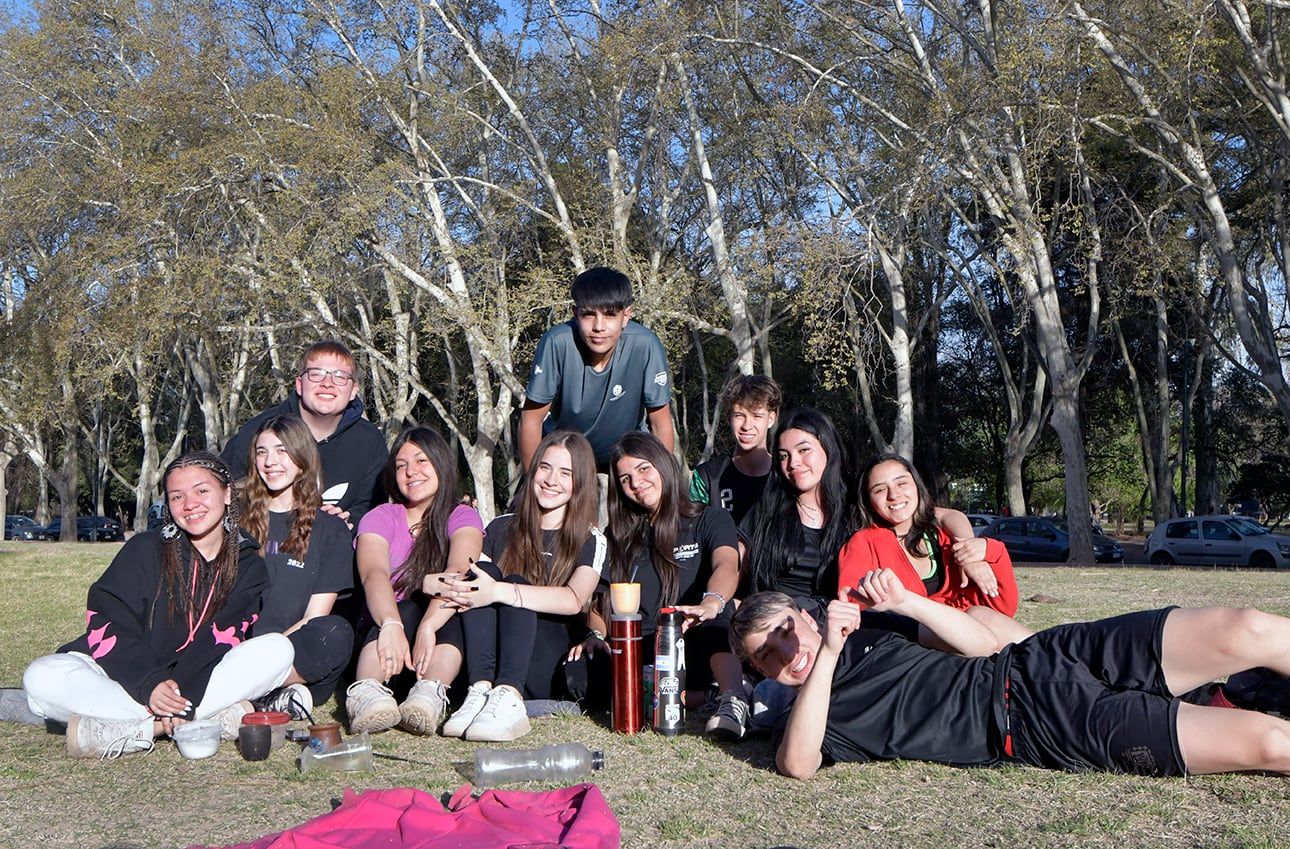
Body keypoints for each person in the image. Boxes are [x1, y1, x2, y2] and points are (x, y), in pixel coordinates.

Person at [732, 573, 1290, 779]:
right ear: (763, 675)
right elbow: (797, 767)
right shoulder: (815, 718)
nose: (788, 652)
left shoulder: (876, 630)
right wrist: (825, 654)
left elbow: (983, 641)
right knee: (1269, 741)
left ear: (803, 614)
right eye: (769, 658)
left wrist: (907, 602)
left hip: (1047, 656)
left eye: (785, 631)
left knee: (1246, 630)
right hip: (1044, 727)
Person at [22, 452, 294, 758]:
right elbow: (108, 621)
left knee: (277, 650)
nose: (190, 504)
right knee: (41, 676)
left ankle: (130, 729)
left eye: (202, 491)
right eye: (177, 496)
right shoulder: (146, 549)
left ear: (227, 493)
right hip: (126, 677)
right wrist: (150, 683)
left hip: (197, 683)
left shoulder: (247, 566)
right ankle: (167, 725)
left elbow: (223, 639)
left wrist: (182, 694)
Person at [432, 431, 607, 742]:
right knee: (482, 571)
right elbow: (466, 582)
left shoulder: (591, 539)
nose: (552, 479)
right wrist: (428, 602)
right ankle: (480, 690)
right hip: (492, 650)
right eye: (545, 467)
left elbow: (573, 600)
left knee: (510, 583)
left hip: (545, 651)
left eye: (565, 473)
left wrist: (500, 592)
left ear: (580, 481)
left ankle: (509, 695)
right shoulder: (500, 527)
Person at [603, 432, 748, 739]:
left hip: (694, 639)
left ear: (663, 465)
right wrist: (594, 635)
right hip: (641, 649)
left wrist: (710, 602)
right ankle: (703, 697)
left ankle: (733, 698)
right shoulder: (618, 536)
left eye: (644, 469)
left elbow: (727, 564)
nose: (636, 483)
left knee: (717, 618)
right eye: (625, 478)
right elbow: (601, 598)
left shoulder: (710, 519)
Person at [345, 426, 483, 734]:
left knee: (451, 610)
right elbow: (374, 573)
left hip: (435, 648)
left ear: (440, 464)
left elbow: (460, 569)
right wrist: (393, 625)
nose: (411, 472)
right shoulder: (380, 517)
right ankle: (366, 692)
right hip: (385, 644)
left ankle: (429, 696)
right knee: (404, 609)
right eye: (401, 465)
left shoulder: (461, 515)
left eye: (421, 461)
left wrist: (429, 625)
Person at [519, 267, 673, 519]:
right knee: (539, 523)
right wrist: (534, 483)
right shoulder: (557, 342)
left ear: (626, 316)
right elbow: (531, 420)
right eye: (589, 315)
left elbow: (660, 423)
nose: (599, 326)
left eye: (610, 315)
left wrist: (665, 487)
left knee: (648, 524)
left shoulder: (646, 344)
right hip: (567, 454)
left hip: (624, 455)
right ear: (575, 314)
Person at [838, 454, 1029, 650]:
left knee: (982, 616)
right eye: (879, 489)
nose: (893, 495)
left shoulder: (943, 536)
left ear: (917, 486)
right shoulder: (863, 542)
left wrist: (989, 551)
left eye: (902, 483)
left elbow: (1002, 606)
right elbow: (851, 602)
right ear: (868, 500)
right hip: (913, 643)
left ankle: (1052, 658)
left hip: (973, 633)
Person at [240, 414, 356, 715]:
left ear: (302, 456)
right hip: (235, 647)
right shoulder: (234, 521)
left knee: (335, 633)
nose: (270, 461)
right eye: (262, 452)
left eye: (282, 450)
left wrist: (272, 651)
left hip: (290, 651)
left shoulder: (330, 528)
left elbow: (315, 616)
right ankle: (261, 695)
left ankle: (257, 693)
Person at [221, 339, 387, 529]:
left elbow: (373, 509)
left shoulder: (370, 441)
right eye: (316, 374)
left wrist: (348, 523)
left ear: (353, 391)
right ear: (299, 384)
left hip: (336, 552)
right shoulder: (259, 431)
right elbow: (224, 492)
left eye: (340, 376)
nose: (327, 384)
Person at [690, 374, 781, 525]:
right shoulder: (708, 477)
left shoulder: (784, 476)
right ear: (728, 417)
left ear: (771, 419)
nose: (747, 425)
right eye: (739, 415)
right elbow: (692, 534)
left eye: (757, 416)